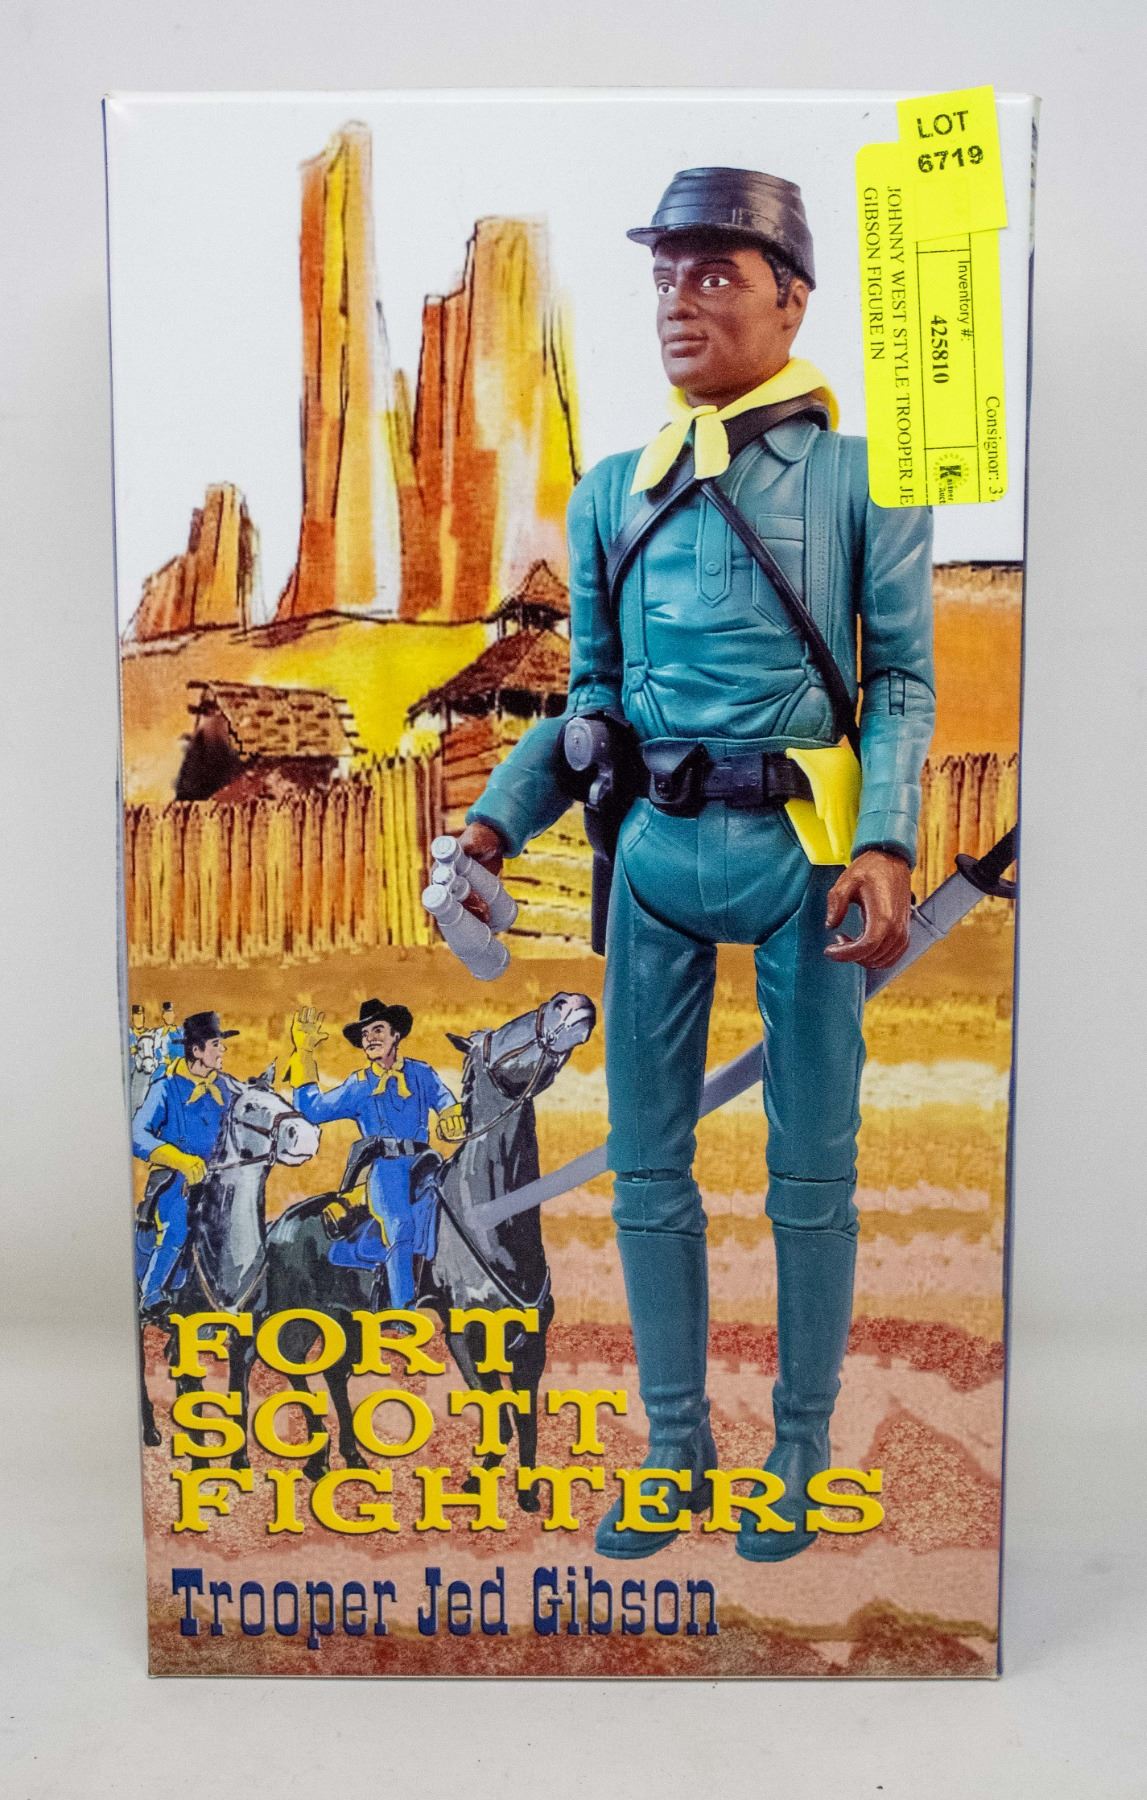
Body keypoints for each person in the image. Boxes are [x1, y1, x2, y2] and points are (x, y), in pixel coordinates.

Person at [458, 167, 934, 1561]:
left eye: (716, 273)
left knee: (813, 1172)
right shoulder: (614, 490)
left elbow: (900, 681)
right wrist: (492, 823)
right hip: (657, 857)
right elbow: (589, 708)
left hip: (803, 857)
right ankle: (673, 1448)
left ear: (792, 300)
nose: (680, 301)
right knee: (645, 1171)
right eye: (665, 274)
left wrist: (885, 840)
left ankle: (799, 1443)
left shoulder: (864, 479)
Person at [285, 1001, 465, 1308]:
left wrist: (452, 1117)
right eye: (365, 1034)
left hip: (426, 1164)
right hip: (387, 1171)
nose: (370, 1038)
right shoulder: (359, 1085)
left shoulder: (421, 1073)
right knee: (400, 1225)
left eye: (378, 1030)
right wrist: (304, 1051)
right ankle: (402, 1313)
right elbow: (312, 1110)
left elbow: (447, 1104)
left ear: (396, 1035)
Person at [132, 1009, 239, 1315]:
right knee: (176, 1227)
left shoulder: (227, 1087)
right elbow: (137, 1134)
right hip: (176, 1179)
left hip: (221, 1178)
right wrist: (178, 1159)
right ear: (197, 1050)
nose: (223, 1050)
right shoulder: (166, 1088)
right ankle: (151, 1295)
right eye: (216, 1044)